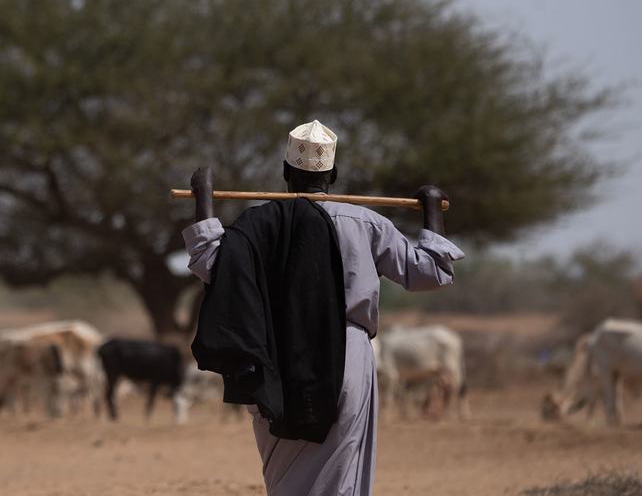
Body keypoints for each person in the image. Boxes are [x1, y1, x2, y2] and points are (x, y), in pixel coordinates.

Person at [182, 119, 464, 495]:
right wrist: (432, 210)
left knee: (285, 476)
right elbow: (429, 272)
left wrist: (204, 200)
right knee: (339, 475)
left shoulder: (257, 224)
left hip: (273, 357)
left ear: (285, 172)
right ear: (333, 174)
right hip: (348, 356)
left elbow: (210, 262)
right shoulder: (365, 222)